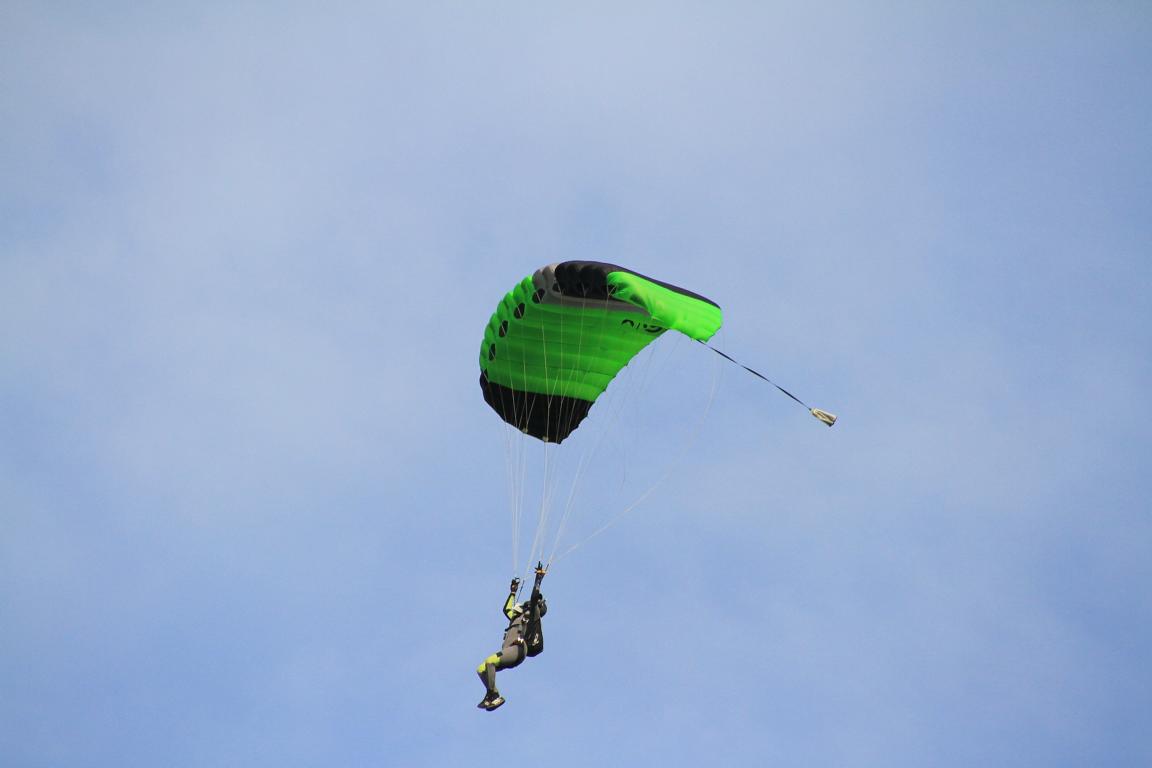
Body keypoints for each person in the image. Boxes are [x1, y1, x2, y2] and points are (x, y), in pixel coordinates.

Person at [476, 563, 547, 711]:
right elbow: (507, 609)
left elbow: (534, 598)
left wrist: (538, 580)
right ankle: (492, 694)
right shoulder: (516, 617)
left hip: (518, 649)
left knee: (490, 661)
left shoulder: (533, 616)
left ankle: (494, 696)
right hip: (509, 650)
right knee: (481, 669)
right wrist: (513, 592)